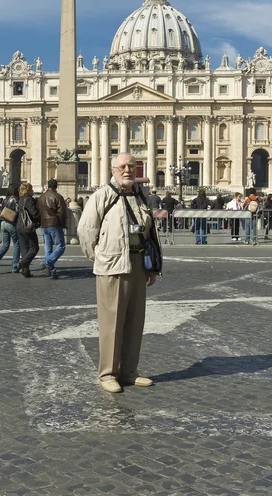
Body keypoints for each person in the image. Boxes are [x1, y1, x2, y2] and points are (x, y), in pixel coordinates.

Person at [77, 152, 161, 394]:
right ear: (113, 170)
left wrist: (152, 267)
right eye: (123, 166)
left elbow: (149, 232)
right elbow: (86, 230)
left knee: (135, 322)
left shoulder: (140, 196)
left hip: (137, 263)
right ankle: (107, 373)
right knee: (111, 323)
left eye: (132, 166)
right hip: (112, 265)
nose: (127, 170)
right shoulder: (102, 195)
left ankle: (129, 371)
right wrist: (100, 257)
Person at [37, 179, 67, 279]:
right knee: (61, 246)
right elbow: (62, 212)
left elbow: (38, 211)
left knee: (48, 248)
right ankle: (46, 262)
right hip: (54, 223)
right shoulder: (58, 197)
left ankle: (50, 270)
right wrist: (63, 224)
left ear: (47, 185)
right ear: (56, 186)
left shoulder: (41, 197)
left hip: (44, 224)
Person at [17, 183, 40, 278]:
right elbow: (34, 214)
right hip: (27, 227)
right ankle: (23, 263)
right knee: (34, 247)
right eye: (31, 188)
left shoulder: (20, 200)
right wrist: (40, 215)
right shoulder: (29, 199)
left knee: (24, 250)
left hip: (19, 226)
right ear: (28, 190)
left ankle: (25, 271)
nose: (33, 190)